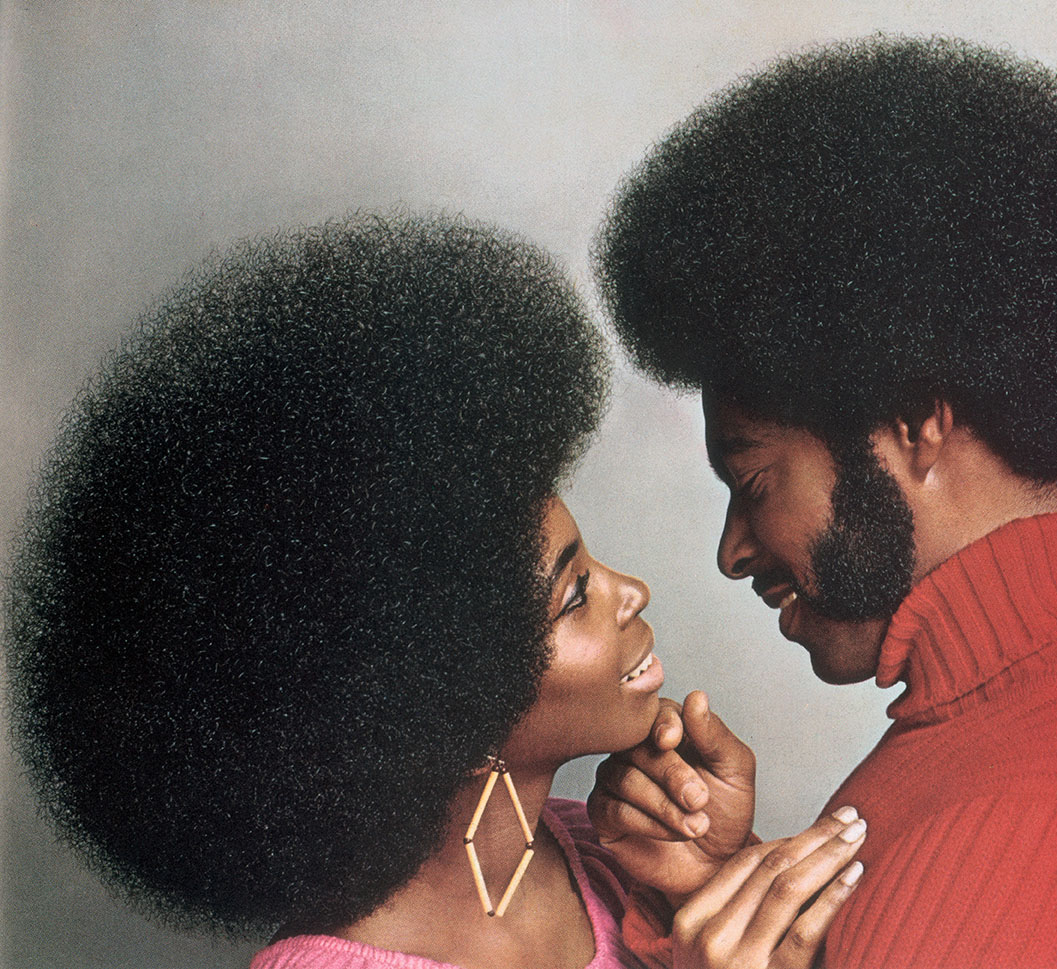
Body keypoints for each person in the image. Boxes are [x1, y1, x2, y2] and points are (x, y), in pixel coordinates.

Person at [5, 213, 867, 969]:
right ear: (434, 699)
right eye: (572, 594)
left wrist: (706, 878)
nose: (631, 591)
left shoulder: (602, 855)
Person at [589, 35, 1057, 969]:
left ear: (915, 424)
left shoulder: (1011, 839)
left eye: (752, 483)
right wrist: (721, 884)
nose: (732, 551)